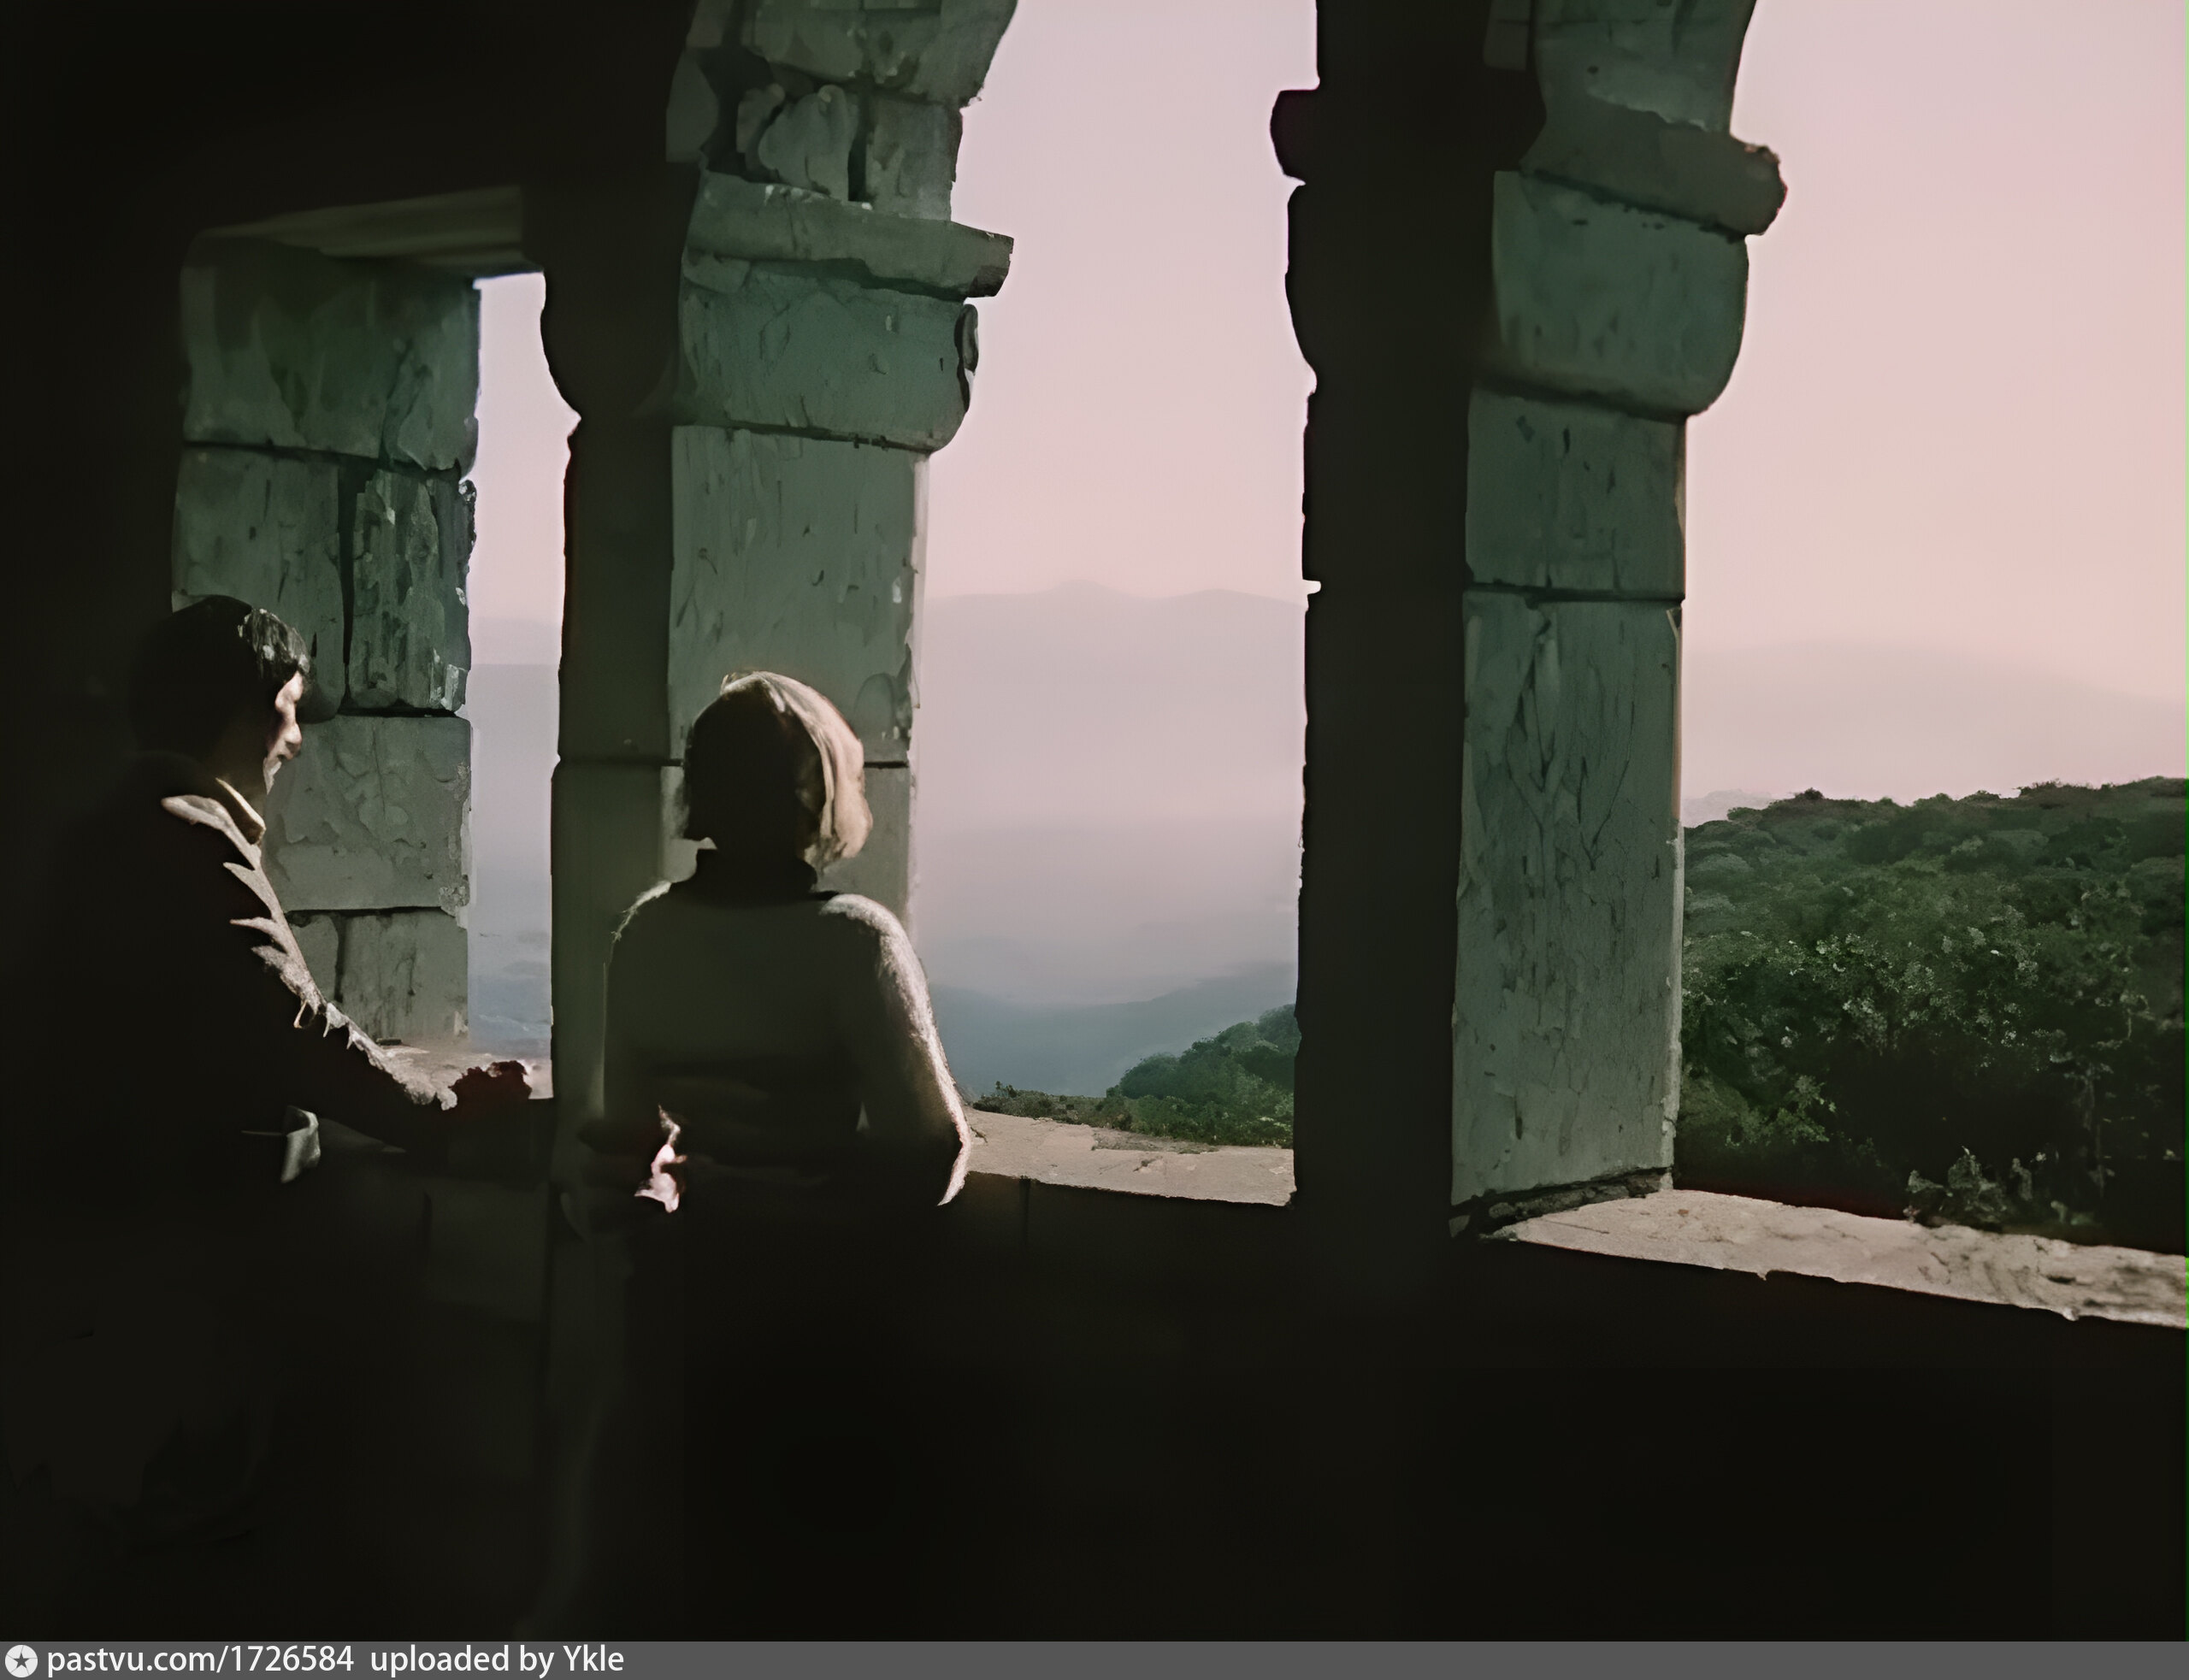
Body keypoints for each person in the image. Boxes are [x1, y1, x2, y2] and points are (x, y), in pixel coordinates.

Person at [0, 596, 528, 1623]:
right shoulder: (187, 836)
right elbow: (290, 1026)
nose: (296, 739)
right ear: (248, 713)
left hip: (92, 1244)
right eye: (288, 709)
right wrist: (436, 1106)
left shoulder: (91, 832)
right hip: (173, 1255)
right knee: (189, 1526)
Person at [543, 671, 969, 1633]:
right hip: (817, 1307)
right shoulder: (854, 942)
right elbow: (933, 1151)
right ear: (818, 795)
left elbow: (622, 1138)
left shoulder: (648, 934)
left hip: (678, 1298)